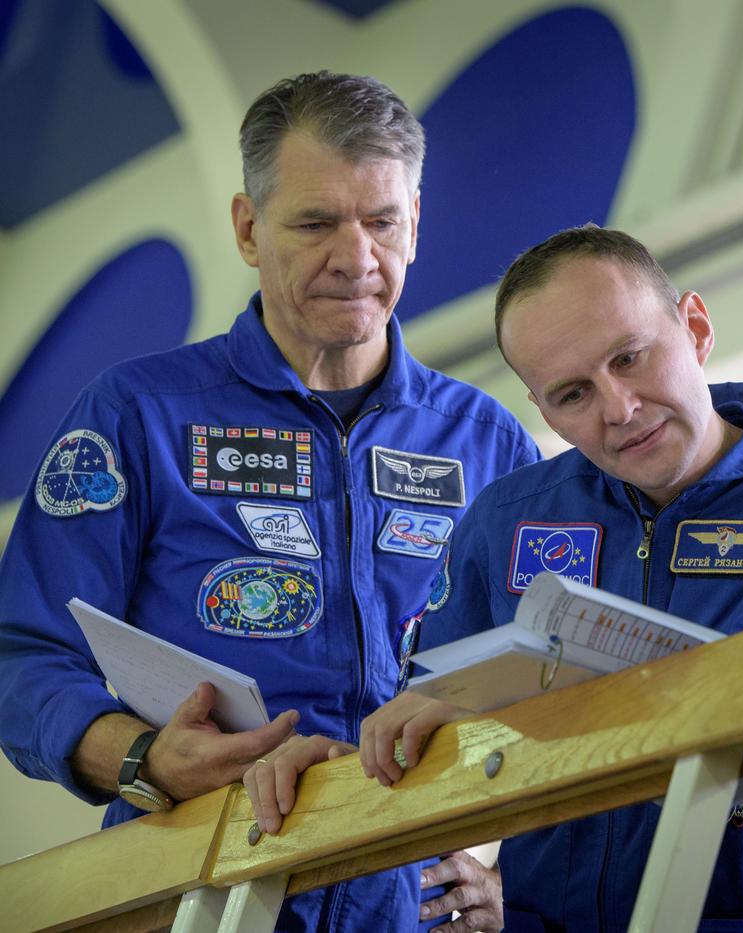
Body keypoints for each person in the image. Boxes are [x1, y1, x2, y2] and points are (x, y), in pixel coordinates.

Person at [252, 225, 743, 931]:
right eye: (573, 393)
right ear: (543, 412)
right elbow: (430, 728)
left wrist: (516, 713)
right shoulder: (505, 517)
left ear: (694, 327)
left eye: (630, 357)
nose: (618, 408)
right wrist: (348, 767)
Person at [0, 71, 539, 931]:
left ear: (416, 226)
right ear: (250, 229)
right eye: (317, 222)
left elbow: (550, 679)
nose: (356, 258)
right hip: (194, 887)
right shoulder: (137, 417)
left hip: (410, 905)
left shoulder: (489, 443)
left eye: (383, 222)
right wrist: (143, 757)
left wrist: (518, 886)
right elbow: (20, 655)